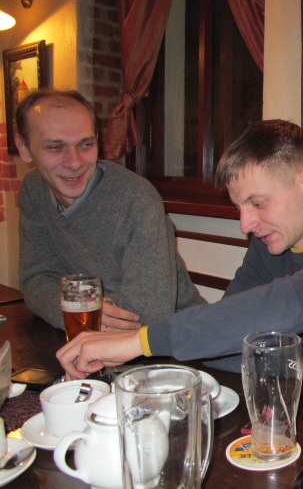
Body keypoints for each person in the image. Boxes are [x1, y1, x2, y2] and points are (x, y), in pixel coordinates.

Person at [57, 119, 303, 417]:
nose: (245, 224)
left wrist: (135, 342)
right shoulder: (268, 247)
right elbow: (225, 340)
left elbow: (297, 302)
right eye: (240, 207)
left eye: (257, 203)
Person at [15, 89, 205, 331]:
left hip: (177, 335)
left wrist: (82, 310)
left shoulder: (136, 198)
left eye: (85, 144)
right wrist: (81, 311)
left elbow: (150, 312)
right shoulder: (33, 190)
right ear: (24, 147)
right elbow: (36, 278)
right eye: (54, 147)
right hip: (93, 335)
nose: (74, 162)